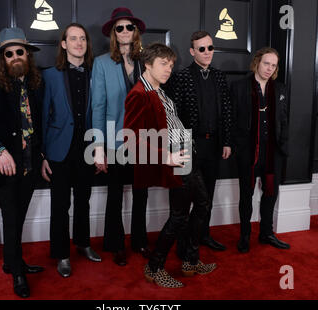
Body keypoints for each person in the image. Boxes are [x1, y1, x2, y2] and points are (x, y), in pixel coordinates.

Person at [124, 43, 217, 288]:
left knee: (203, 203)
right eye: (163, 64)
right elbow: (130, 139)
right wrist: (166, 157)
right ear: (147, 64)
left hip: (186, 153)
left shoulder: (159, 90)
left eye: (171, 64)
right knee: (178, 216)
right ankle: (154, 267)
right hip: (173, 158)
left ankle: (190, 259)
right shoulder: (139, 94)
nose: (168, 69)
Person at [0, 27, 44, 298]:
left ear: (27, 55)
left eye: (19, 52)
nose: (14, 57)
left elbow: (39, 126)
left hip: (30, 164)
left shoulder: (36, 84)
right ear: (3, 58)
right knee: (11, 219)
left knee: (19, 217)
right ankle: (17, 274)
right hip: (5, 167)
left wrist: (43, 156)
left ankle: (13, 261)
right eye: (8, 53)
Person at [41, 23, 101, 278]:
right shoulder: (49, 75)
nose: (79, 43)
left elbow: (98, 111)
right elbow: (43, 115)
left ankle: (83, 243)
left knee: (84, 202)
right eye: (73, 39)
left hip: (86, 148)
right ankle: (62, 254)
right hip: (58, 150)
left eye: (83, 39)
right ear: (64, 44)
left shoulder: (94, 73)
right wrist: (42, 155)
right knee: (60, 205)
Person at [91, 7, 149, 266]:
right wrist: (98, 147)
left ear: (135, 31)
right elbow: (98, 107)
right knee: (115, 195)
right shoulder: (102, 63)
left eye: (129, 27)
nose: (125, 31)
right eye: (120, 28)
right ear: (114, 33)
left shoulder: (146, 61)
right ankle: (116, 244)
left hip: (145, 141)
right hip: (114, 140)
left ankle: (139, 241)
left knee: (141, 194)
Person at [165, 31, 232, 252]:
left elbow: (227, 112)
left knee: (208, 195)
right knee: (184, 198)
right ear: (192, 51)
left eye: (210, 48)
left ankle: (203, 235)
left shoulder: (220, 77)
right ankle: (183, 241)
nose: (206, 53)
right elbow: (172, 116)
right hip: (187, 144)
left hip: (214, 145)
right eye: (201, 49)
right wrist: (176, 148)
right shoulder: (181, 77)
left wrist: (227, 142)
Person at [230, 47, 290, 253]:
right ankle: (245, 235)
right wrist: (236, 146)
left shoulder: (280, 89)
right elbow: (231, 119)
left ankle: (266, 233)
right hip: (248, 152)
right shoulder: (239, 87)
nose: (269, 68)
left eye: (273, 65)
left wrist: (283, 145)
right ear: (257, 62)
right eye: (266, 63)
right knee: (246, 195)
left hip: (273, 152)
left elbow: (284, 120)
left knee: (270, 193)